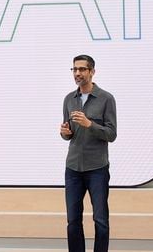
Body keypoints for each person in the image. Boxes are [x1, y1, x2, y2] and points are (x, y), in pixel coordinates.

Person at [59, 54, 117, 252]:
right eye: (74, 69)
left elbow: (111, 134)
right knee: (73, 220)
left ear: (92, 72)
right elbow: (69, 134)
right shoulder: (69, 99)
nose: (77, 73)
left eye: (82, 69)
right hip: (73, 167)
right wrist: (64, 133)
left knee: (100, 220)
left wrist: (89, 124)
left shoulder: (106, 98)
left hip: (97, 168)